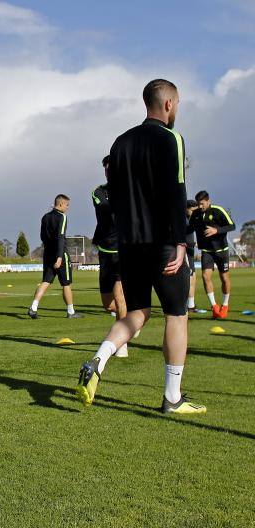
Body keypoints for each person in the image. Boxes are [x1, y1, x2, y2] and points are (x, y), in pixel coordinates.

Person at [76, 78, 206, 415]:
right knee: (176, 316)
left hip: (129, 246)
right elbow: (176, 190)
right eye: (176, 104)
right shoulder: (170, 138)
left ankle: (98, 361)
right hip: (163, 243)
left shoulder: (120, 143)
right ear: (168, 104)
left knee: (137, 312)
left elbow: (115, 198)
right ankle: (172, 398)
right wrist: (180, 241)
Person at [91, 156, 128, 356]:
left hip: (123, 249)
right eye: (106, 168)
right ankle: (131, 320)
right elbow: (105, 208)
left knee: (120, 295)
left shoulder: (129, 188)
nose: (108, 171)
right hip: (105, 251)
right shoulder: (99, 192)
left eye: (111, 168)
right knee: (108, 304)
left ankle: (121, 344)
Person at [28, 195, 82, 319]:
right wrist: (59, 256)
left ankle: (33, 308)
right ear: (61, 204)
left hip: (47, 253)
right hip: (60, 254)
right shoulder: (62, 217)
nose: (68, 208)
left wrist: (49, 250)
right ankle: (71, 312)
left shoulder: (45, 217)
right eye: (67, 205)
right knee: (66, 284)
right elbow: (61, 236)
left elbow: (42, 236)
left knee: (46, 281)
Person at [192, 190, 236, 319]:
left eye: (202, 204)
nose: (200, 206)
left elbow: (232, 226)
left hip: (221, 251)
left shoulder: (218, 210)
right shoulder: (195, 214)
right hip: (207, 251)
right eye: (198, 204)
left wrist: (217, 230)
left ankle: (225, 305)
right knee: (205, 277)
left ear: (208, 201)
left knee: (224, 278)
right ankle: (214, 307)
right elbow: (189, 228)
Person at [185, 199, 200, 312]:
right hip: (183, 253)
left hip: (190, 253)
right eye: (192, 210)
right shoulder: (182, 220)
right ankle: (186, 306)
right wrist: (194, 244)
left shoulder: (192, 219)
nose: (195, 213)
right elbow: (179, 240)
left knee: (193, 278)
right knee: (188, 279)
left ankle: (191, 305)